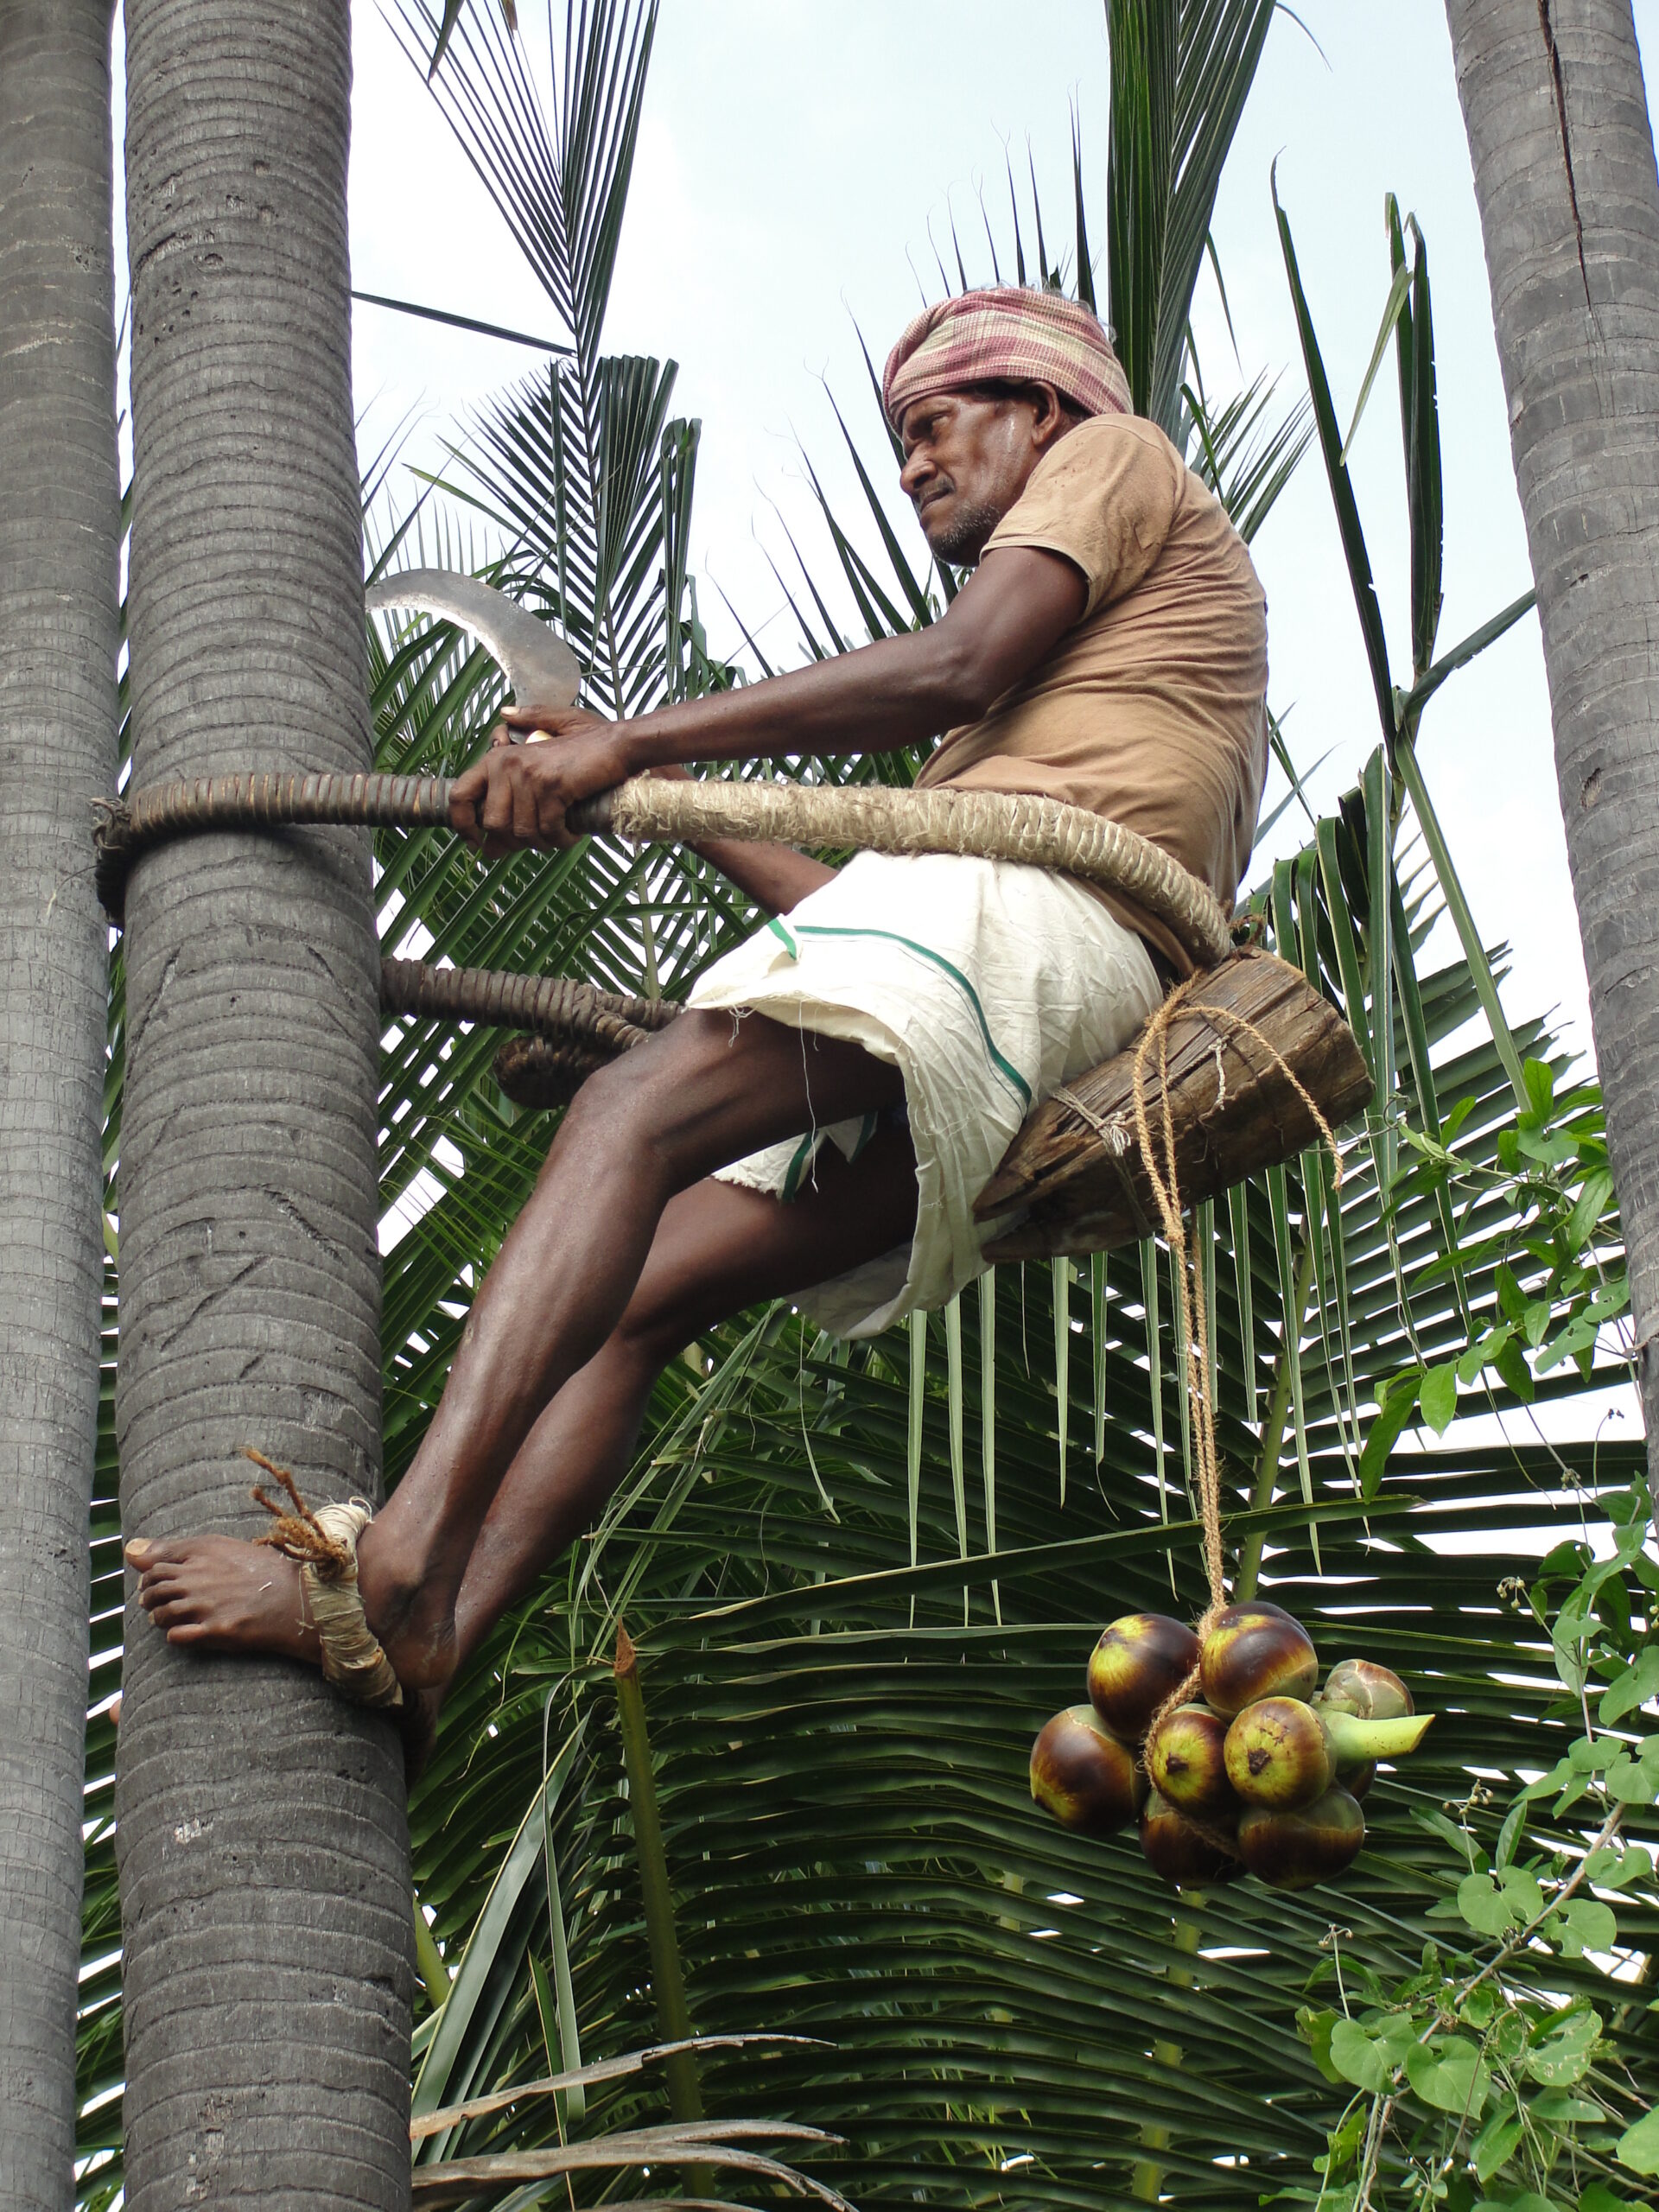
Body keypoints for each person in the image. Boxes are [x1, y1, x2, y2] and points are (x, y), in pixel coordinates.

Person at [126, 284, 1269, 1738]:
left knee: (630, 1112)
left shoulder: (1118, 460)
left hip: (1049, 940)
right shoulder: (1063, 734)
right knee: (632, 1304)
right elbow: (862, 938)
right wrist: (653, 800)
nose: (913, 465)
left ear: (1040, 410)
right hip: (1045, 1023)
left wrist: (635, 738)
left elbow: (954, 666)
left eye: (933, 426)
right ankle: (437, 1641)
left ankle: (402, 1562)